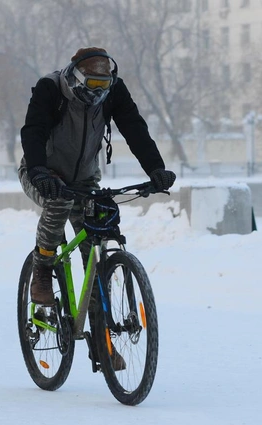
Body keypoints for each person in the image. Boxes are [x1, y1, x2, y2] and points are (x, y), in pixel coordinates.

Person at [19, 47, 176, 307]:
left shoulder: (114, 91)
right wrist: (38, 171)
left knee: (98, 234)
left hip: (84, 180)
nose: (98, 93)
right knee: (59, 204)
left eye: (104, 86)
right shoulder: (50, 88)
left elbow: (134, 128)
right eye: (92, 85)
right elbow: (33, 131)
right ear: (76, 78)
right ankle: (43, 271)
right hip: (43, 173)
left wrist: (155, 169)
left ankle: (100, 330)